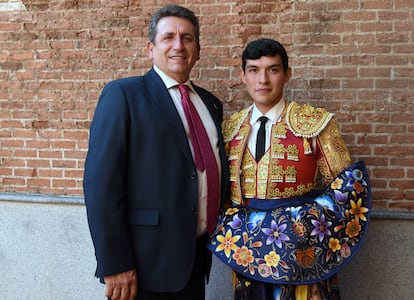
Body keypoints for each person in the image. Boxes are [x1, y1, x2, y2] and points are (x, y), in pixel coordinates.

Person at [83, 5, 228, 300]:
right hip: (143, 266)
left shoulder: (211, 104)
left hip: (195, 260)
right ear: (151, 48)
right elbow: (101, 186)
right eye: (169, 37)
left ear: (198, 50)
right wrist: (115, 263)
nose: (179, 45)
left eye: (187, 38)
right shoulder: (124, 95)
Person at [208, 38, 371, 300]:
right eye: (254, 70)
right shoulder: (229, 130)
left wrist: (310, 228)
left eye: (272, 70)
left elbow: (346, 187)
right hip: (248, 247)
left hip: (301, 248)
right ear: (243, 76)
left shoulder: (316, 123)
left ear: (287, 75)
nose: (263, 79)